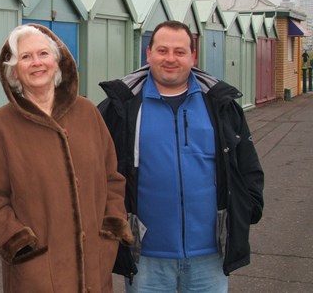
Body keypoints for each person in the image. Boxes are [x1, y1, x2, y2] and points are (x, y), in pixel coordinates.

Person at [98, 20, 264, 293]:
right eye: (162, 51)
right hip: (146, 258)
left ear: (192, 56)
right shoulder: (120, 108)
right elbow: (97, 168)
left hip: (210, 256)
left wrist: (247, 210)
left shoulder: (220, 105)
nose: (170, 59)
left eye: (179, 51)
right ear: (148, 53)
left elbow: (248, 166)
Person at [0, 24, 134, 292]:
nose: (37, 63)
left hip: (94, 268)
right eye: (26, 57)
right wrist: (19, 245)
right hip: (36, 276)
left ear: (57, 61)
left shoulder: (88, 113)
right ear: (13, 70)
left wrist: (111, 230)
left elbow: (112, 178)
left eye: (43, 54)